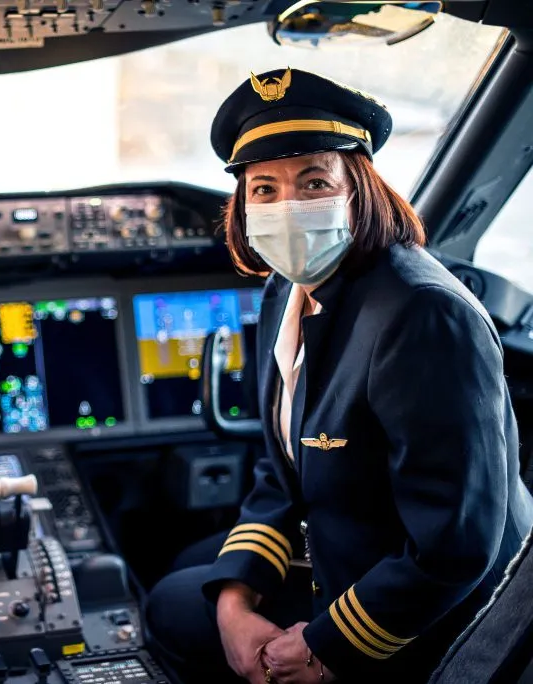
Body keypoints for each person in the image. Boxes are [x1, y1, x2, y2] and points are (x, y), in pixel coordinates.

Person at [144, 68, 533, 684]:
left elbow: (456, 544)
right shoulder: (288, 289)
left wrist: (326, 648)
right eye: (264, 189)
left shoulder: (422, 314)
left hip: (443, 607)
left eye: (314, 181)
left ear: (360, 189)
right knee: (192, 575)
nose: (286, 206)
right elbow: (283, 467)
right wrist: (234, 601)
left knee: (166, 609)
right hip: (349, 537)